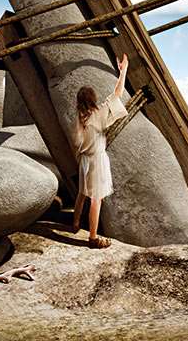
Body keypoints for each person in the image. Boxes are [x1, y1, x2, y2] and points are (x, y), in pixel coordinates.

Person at [71, 53, 129, 249]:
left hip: (84, 160)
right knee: (96, 199)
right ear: (93, 99)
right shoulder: (99, 113)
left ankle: (76, 223)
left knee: (82, 192)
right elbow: (117, 94)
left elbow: (77, 141)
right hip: (96, 160)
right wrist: (123, 71)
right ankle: (93, 238)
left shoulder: (80, 117)